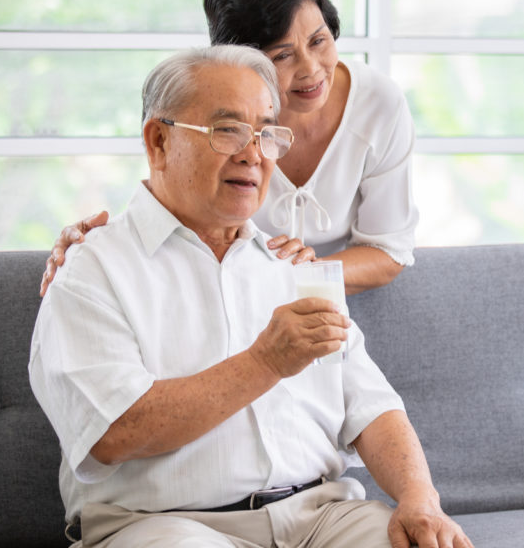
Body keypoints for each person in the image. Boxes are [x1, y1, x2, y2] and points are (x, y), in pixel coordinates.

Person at [29, 45, 470, 548]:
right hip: (165, 526)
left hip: (320, 519)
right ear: (158, 142)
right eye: (228, 130)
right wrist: (266, 360)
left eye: (265, 133)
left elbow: (371, 407)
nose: (253, 153)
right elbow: (115, 431)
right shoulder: (92, 269)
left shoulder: (294, 266)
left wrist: (419, 499)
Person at [40, 0, 417, 297]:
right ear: (239, 60)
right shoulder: (207, 111)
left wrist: (297, 274)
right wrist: (92, 244)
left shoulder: (378, 105)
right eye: (283, 55)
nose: (311, 70)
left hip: (318, 300)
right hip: (229, 293)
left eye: (319, 41)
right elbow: (172, 202)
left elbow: (388, 250)